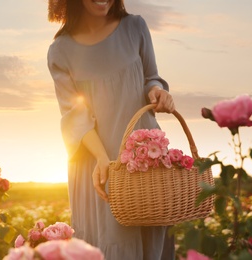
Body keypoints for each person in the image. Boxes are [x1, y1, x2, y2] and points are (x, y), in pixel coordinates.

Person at [47, 0, 176, 259]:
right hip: (97, 165)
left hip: (144, 160)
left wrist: (157, 92)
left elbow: (151, 76)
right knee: (111, 245)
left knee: (151, 240)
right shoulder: (60, 51)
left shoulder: (135, 27)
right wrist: (102, 159)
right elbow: (74, 116)